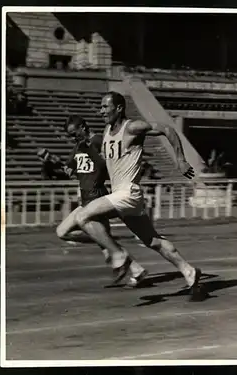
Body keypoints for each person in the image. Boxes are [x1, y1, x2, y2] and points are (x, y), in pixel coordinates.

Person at [73, 92, 205, 300]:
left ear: (118, 108)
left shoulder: (132, 127)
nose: (101, 111)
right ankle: (189, 271)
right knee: (152, 240)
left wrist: (180, 160)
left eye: (105, 107)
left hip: (128, 193)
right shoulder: (107, 130)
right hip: (122, 195)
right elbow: (111, 163)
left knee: (82, 217)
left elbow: (167, 129)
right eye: (100, 107)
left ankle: (118, 256)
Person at [55, 115, 148, 287]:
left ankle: (134, 268)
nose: (73, 138)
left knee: (106, 244)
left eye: (74, 133)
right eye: (70, 135)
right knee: (64, 233)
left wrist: (90, 150)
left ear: (83, 127)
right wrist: (68, 168)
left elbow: (107, 166)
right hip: (85, 200)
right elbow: (72, 164)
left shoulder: (98, 140)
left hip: (98, 198)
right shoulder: (79, 145)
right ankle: (136, 269)